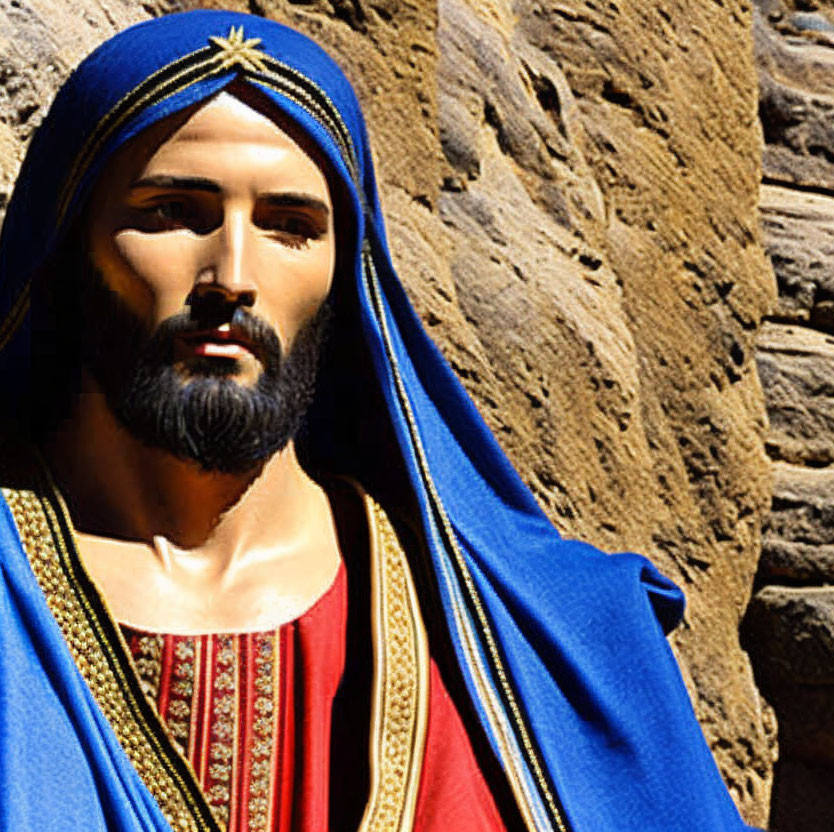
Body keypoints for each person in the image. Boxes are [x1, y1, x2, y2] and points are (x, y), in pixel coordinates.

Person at [0, 11, 755, 832]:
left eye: (292, 226)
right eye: (175, 212)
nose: (233, 275)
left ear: (345, 272)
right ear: (70, 245)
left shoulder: (564, 650)